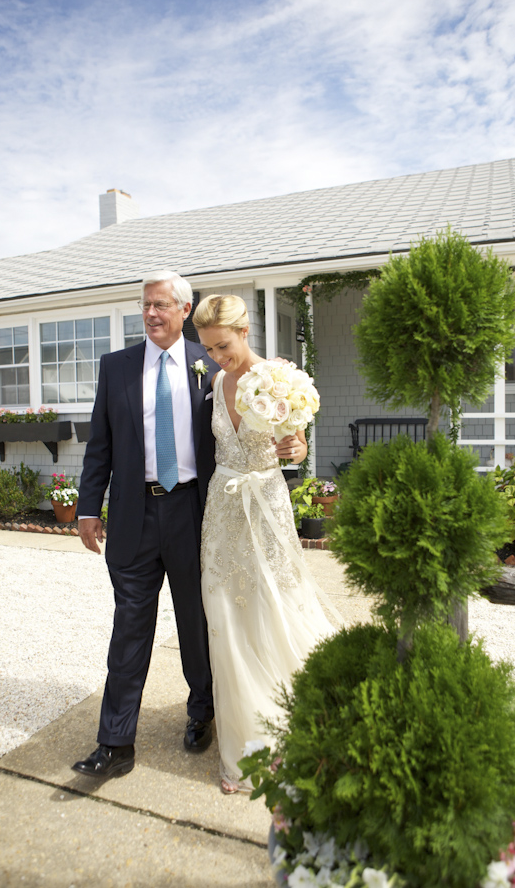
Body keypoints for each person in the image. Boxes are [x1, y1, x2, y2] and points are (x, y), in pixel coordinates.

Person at [72, 270, 219, 778]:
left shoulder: (212, 365)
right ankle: (115, 744)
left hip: (192, 512)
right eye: (145, 306)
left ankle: (202, 710)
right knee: (130, 626)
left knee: (195, 622)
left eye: (161, 305)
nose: (152, 314)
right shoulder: (116, 368)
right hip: (134, 515)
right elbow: (100, 445)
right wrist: (89, 508)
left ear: (184, 310)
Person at [192, 294, 336, 794]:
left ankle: (289, 726)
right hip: (222, 508)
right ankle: (244, 747)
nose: (217, 358)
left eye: (223, 346)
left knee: (274, 607)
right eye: (209, 349)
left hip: (266, 503)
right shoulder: (214, 382)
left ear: (245, 330)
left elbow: (295, 442)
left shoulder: (282, 380)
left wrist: (297, 445)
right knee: (225, 616)